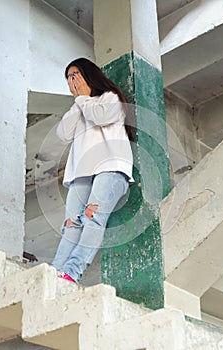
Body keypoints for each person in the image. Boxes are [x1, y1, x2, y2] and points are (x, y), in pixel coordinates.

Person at [51, 57, 134, 284]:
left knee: (92, 218)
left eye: (75, 74)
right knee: (71, 224)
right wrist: (79, 101)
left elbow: (101, 117)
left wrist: (83, 99)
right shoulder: (79, 106)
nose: (72, 80)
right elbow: (63, 133)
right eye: (68, 77)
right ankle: (55, 271)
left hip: (110, 168)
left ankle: (72, 272)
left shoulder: (110, 98)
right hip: (81, 174)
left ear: (89, 75)